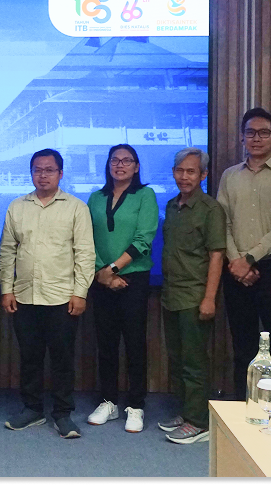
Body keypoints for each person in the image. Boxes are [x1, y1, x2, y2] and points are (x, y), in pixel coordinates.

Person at [0, 149, 95, 439]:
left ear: (61, 174)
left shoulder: (76, 207)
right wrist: (7, 289)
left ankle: (63, 414)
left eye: (49, 170)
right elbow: (7, 252)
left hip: (62, 298)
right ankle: (32, 410)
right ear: (31, 173)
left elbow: (85, 253)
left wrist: (80, 292)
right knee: (29, 357)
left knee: (62, 358)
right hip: (25, 296)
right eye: (37, 170)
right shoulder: (17, 207)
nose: (43, 175)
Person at [216, 107, 271, 400]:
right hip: (235, 273)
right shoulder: (229, 176)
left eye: (264, 133)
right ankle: (241, 406)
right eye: (250, 132)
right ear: (242, 137)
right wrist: (236, 261)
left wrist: (248, 259)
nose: (256, 138)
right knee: (242, 345)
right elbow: (221, 222)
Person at [85, 144, 159, 434]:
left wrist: (113, 269)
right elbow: (85, 238)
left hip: (133, 279)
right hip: (101, 279)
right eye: (115, 160)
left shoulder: (145, 195)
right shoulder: (95, 197)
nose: (120, 165)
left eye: (127, 161)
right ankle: (108, 401)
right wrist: (101, 273)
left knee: (134, 343)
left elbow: (144, 238)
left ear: (137, 167)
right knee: (105, 343)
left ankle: (136, 405)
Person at [159, 148, 225, 444]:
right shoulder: (172, 206)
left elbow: (216, 256)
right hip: (170, 295)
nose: (184, 176)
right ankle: (187, 412)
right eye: (180, 171)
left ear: (203, 175)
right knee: (177, 358)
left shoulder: (211, 209)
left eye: (191, 172)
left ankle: (199, 422)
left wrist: (209, 298)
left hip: (195, 296)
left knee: (194, 362)